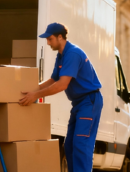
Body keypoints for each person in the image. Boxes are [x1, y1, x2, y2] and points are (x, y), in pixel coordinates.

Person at [19, 22, 103, 172]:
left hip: (89, 102)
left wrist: (35, 96)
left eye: (50, 39)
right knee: (69, 144)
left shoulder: (72, 54)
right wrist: (31, 89)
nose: (48, 42)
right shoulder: (61, 55)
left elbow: (61, 85)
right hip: (79, 103)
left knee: (80, 143)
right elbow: (53, 80)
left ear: (60, 37)